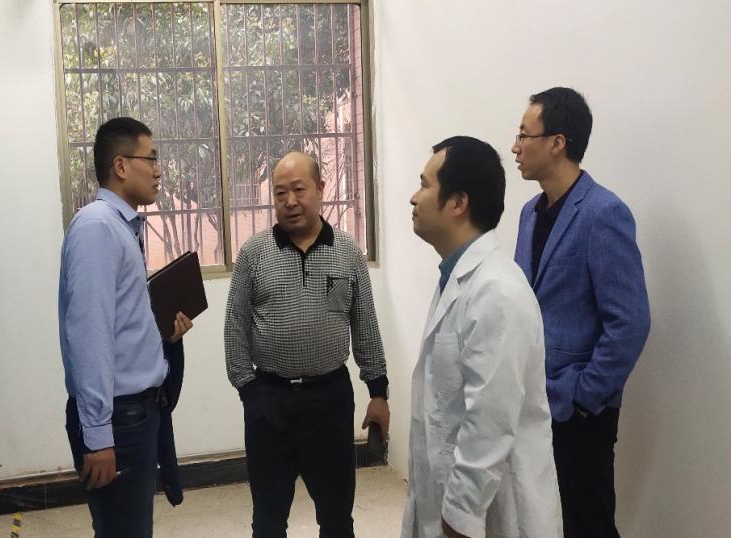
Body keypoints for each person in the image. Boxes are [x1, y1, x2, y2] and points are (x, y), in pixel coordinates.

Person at [224, 151, 389, 538]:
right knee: (268, 520)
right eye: (280, 193)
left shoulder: (348, 252)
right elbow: (234, 326)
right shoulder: (254, 254)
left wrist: (378, 392)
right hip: (270, 401)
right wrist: (250, 392)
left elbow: (365, 326)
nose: (290, 201)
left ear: (320, 188)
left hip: (329, 401)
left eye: (299, 190)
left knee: (336, 518)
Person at [403, 136, 562, 538]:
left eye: (424, 185)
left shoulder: (497, 291)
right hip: (448, 500)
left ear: (458, 203)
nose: (414, 197)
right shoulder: (456, 278)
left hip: (491, 514)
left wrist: (461, 515)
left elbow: (489, 421)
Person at [512, 87, 651, 538]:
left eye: (524, 135)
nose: (515, 146)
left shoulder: (603, 213)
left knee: (587, 523)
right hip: (534, 402)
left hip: (578, 411)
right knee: (541, 522)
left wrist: (585, 397)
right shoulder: (529, 214)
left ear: (557, 142)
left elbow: (629, 321)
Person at [59, 117, 193, 537]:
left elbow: (119, 321)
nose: (158, 171)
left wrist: (161, 334)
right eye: (150, 159)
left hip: (136, 412)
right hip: (118, 419)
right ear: (120, 166)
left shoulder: (121, 226)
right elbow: (90, 336)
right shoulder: (97, 228)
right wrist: (99, 436)